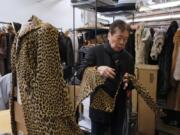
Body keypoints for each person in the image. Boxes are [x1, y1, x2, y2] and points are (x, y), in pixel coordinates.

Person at [77, 20, 134, 135]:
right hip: (99, 106)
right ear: (109, 35)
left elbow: (131, 80)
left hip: (119, 108)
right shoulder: (95, 51)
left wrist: (129, 82)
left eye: (126, 39)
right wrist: (97, 70)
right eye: (119, 38)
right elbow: (80, 73)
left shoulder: (128, 57)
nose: (123, 42)